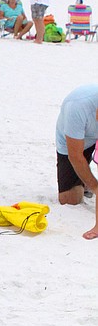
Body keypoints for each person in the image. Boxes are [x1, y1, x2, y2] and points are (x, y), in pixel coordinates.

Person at [55, 84, 98, 223]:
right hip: (77, 143)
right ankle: (86, 184)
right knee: (70, 199)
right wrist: (95, 187)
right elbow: (75, 156)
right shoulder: (77, 107)